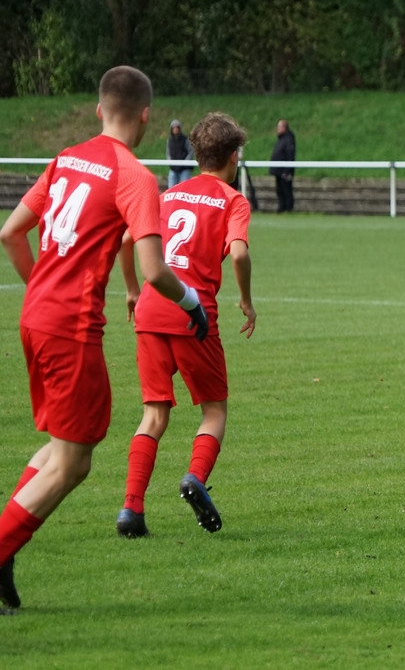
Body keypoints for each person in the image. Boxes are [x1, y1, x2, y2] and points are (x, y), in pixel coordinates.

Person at [0, 66, 209, 614]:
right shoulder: (135, 176)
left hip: (34, 317)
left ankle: (7, 548)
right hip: (69, 328)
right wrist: (192, 306)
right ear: (146, 117)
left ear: (98, 110)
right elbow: (157, 270)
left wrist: (41, 290)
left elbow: (11, 232)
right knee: (74, 464)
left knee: (63, 448)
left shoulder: (67, 157)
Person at [116, 112, 256, 538]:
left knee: (153, 415)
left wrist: (132, 290)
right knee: (213, 411)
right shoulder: (233, 200)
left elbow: (126, 240)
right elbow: (238, 253)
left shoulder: (169, 194)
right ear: (233, 158)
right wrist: (247, 301)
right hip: (192, 313)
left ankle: (131, 510)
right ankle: (195, 477)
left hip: (151, 311)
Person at [269, 119, 295, 212]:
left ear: (285, 128)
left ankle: (288, 209)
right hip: (279, 170)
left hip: (284, 171)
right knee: (280, 190)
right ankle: (282, 207)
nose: (278, 129)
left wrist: (287, 171)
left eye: (279, 127)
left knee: (286, 190)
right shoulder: (282, 139)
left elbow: (290, 155)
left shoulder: (288, 139)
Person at [166, 118, 195, 188]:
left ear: (179, 128)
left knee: (186, 188)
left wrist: (185, 162)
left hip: (184, 169)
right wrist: (170, 162)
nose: (175, 129)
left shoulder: (185, 140)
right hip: (173, 169)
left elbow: (190, 152)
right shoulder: (169, 141)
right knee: (171, 189)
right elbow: (168, 153)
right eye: (174, 128)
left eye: (177, 127)